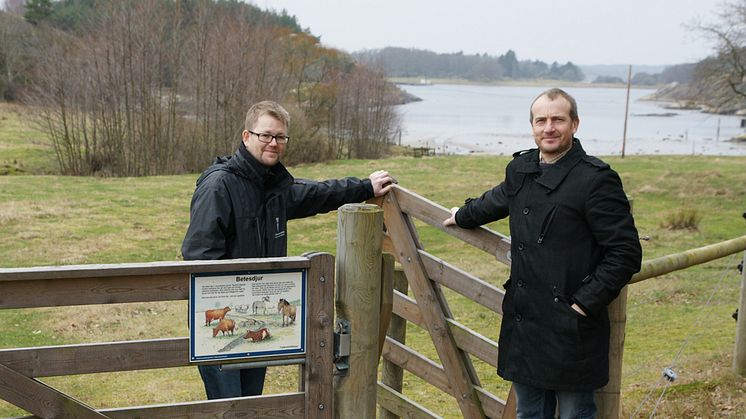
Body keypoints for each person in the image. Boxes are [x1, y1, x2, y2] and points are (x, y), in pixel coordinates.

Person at [443, 88, 642, 418]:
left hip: (571, 324)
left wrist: (583, 304)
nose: (549, 128)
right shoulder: (521, 169)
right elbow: (497, 200)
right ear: (533, 126)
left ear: (574, 124)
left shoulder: (596, 180)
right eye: (541, 120)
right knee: (529, 413)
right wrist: (463, 215)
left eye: (558, 120)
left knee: (575, 413)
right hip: (527, 320)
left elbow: (625, 252)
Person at [182, 100, 395, 399]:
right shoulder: (219, 186)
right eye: (266, 135)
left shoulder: (274, 188)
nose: (274, 143)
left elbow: (319, 194)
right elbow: (198, 254)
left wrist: (364, 188)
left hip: (261, 316)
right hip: (223, 317)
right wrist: (236, 298)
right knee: (228, 408)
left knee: (251, 402)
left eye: (280, 137)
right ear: (246, 136)